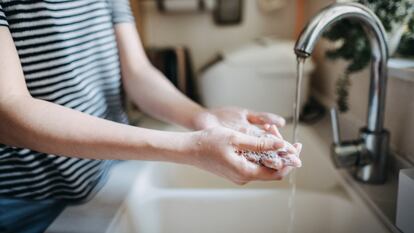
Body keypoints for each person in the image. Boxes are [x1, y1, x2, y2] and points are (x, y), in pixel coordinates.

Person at [0, 0, 302, 232]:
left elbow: (138, 72)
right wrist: (190, 148)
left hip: (105, 176)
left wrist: (202, 117)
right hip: (26, 200)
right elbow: (8, 113)